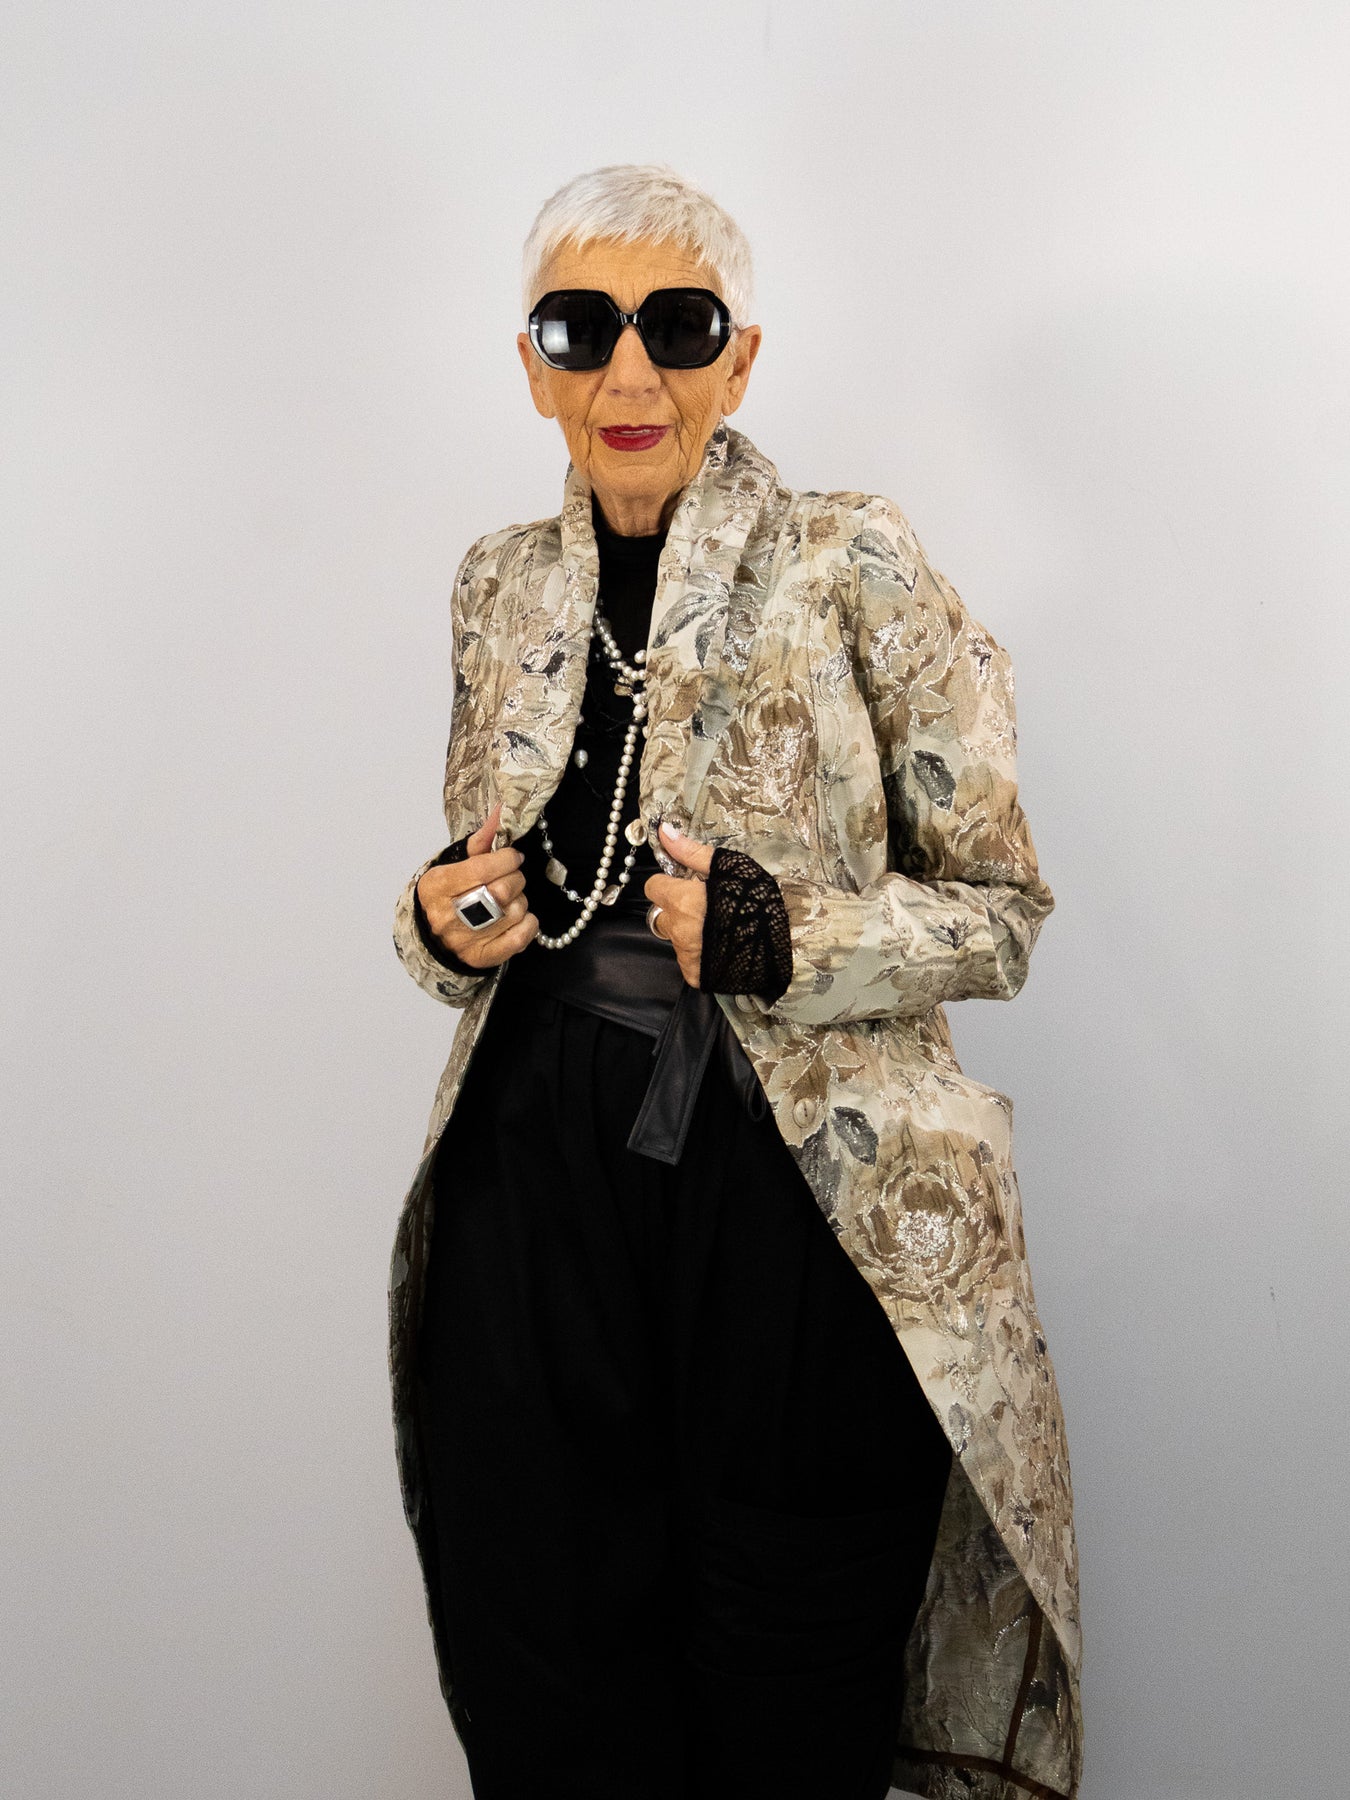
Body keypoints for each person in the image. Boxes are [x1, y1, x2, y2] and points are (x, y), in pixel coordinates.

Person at [388, 163, 1083, 1800]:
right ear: (534, 366)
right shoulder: (497, 582)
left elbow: (999, 914)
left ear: (741, 357)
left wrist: (786, 940)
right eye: (583, 330)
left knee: (790, 1647)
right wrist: (435, 924)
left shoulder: (854, 558)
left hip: (792, 1190)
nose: (629, 372)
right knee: (536, 1628)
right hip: (531, 1170)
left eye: (678, 326)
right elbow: (480, 891)